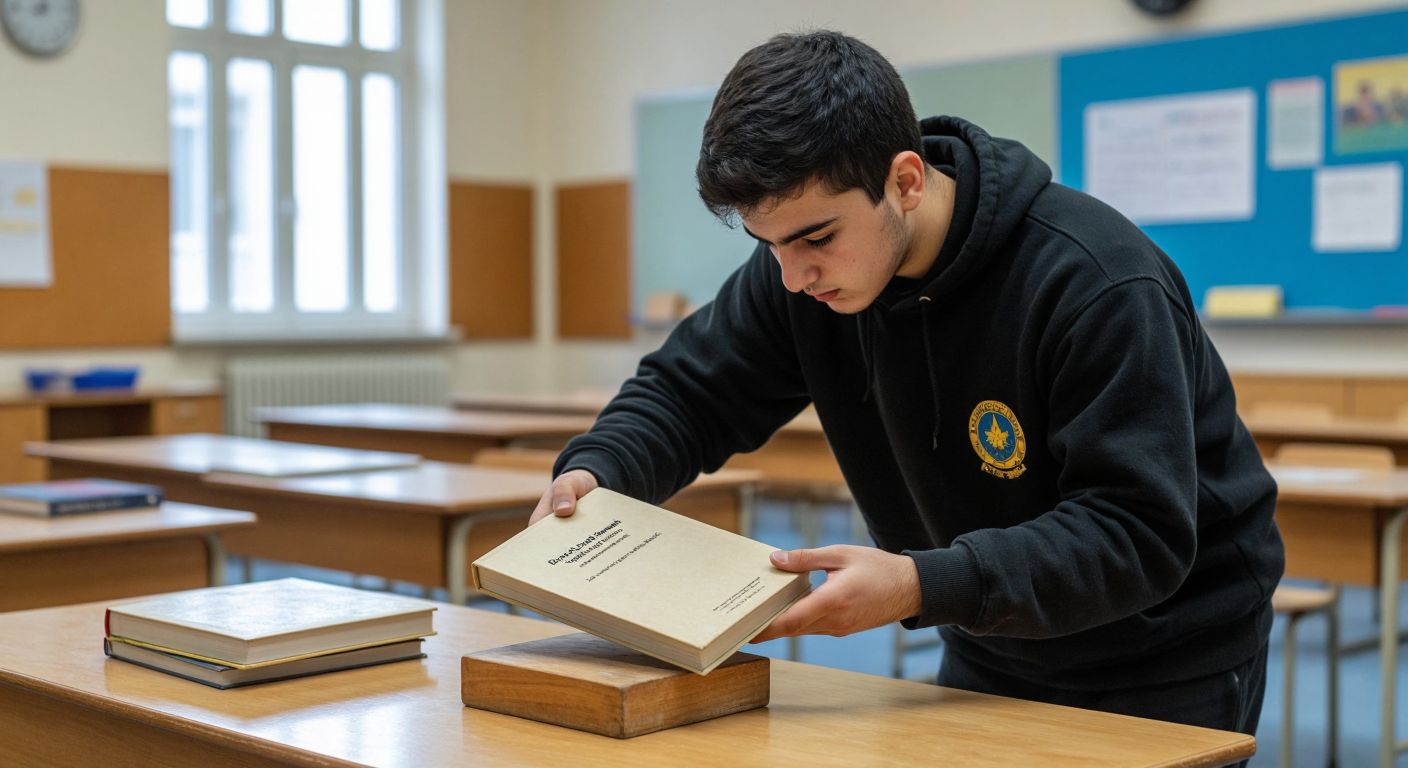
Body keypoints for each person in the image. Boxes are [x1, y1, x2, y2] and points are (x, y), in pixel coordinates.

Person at [530, 30, 1283, 738]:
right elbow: (691, 392)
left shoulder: (1096, 281)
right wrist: (601, 470)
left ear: (907, 180)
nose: (793, 277)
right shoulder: (801, 275)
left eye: (815, 239)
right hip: (990, 631)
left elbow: (1136, 533)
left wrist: (921, 583)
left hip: (1166, 656)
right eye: (770, 245)